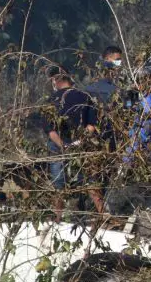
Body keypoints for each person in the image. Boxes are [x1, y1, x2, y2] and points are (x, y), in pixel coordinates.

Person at [36, 66, 103, 212]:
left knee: (58, 182)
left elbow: (50, 130)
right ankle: (102, 213)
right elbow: (91, 125)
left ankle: (58, 217)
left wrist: (63, 145)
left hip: (57, 146)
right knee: (89, 178)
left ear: (55, 80)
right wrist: (79, 141)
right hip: (82, 144)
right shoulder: (85, 96)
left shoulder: (50, 101)